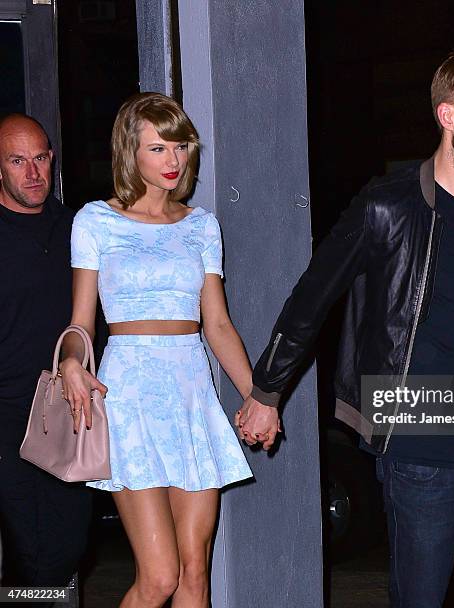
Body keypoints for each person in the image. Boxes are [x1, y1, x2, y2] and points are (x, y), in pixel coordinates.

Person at [238, 48, 454, 606]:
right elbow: (314, 296)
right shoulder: (388, 205)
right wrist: (267, 389)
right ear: (448, 116)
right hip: (420, 454)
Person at [61, 93, 252, 608]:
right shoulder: (96, 221)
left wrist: (258, 396)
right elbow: (81, 323)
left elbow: (217, 324)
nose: (173, 161)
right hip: (131, 397)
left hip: (191, 394)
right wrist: (71, 362)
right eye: (158, 148)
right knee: (160, 576)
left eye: (181, 146)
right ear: (131, 153)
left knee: (195, 573)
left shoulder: (201, 226)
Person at [0, 114, 91, 592]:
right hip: (6, 411)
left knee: (66, 543)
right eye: (18, 161)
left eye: (39, 159)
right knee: (30, 550)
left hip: (62, 406)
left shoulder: (76, 227)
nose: (32, 173)